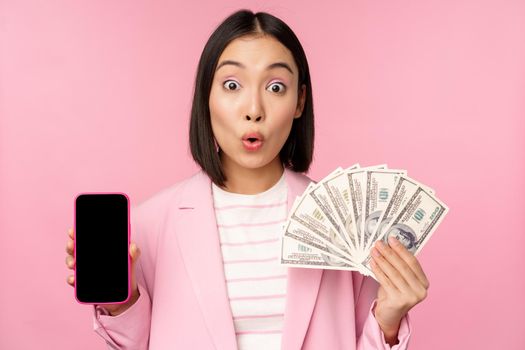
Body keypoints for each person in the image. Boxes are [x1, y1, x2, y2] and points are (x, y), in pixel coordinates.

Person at [65, 9, 429, 350]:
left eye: (275, 87)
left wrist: (389, 320)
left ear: (299, 101)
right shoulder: (149, 226)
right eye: (232, 85)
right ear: (206, 96)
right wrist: (122, 301)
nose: (253, 110)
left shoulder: (347, 221)